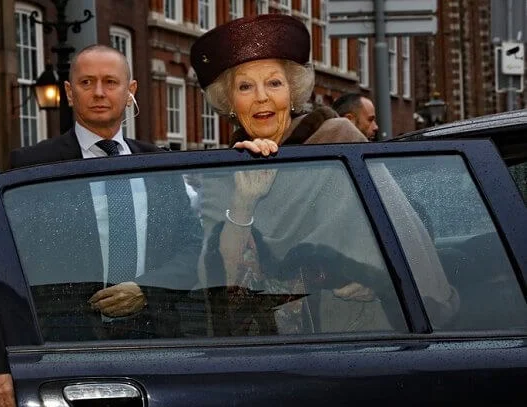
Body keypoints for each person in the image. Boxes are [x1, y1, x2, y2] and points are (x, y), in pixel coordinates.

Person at [190, 14, 459, 335]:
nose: (262, 96)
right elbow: (215, 286)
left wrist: (380, 278)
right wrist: (243, 204)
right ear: (230, 102)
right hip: (269, 348)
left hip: (352, 329)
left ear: (292, 91)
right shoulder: (221, 172)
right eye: (245, 86)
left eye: (274, 83)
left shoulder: (337, 139)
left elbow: (400, 227)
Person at [0, 44, 202, 407]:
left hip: (154, 345)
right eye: (87, 82)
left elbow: (190, 248)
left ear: (129, 90)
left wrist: (146, 289)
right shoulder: (32, 165)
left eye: (110, 82)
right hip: (60, 349)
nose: (99, 92)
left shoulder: (160, 164)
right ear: (70, 92)